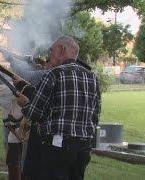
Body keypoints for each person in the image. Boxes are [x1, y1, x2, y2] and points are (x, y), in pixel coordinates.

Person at [16, 36, 101, 180]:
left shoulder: (53, 74)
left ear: (62, 50)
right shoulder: (92, 77)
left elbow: (34, 113)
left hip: (58, 146)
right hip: (84, 149)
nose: (49, 55)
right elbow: (95, 116)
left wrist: (24, 103)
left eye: (51, 50)